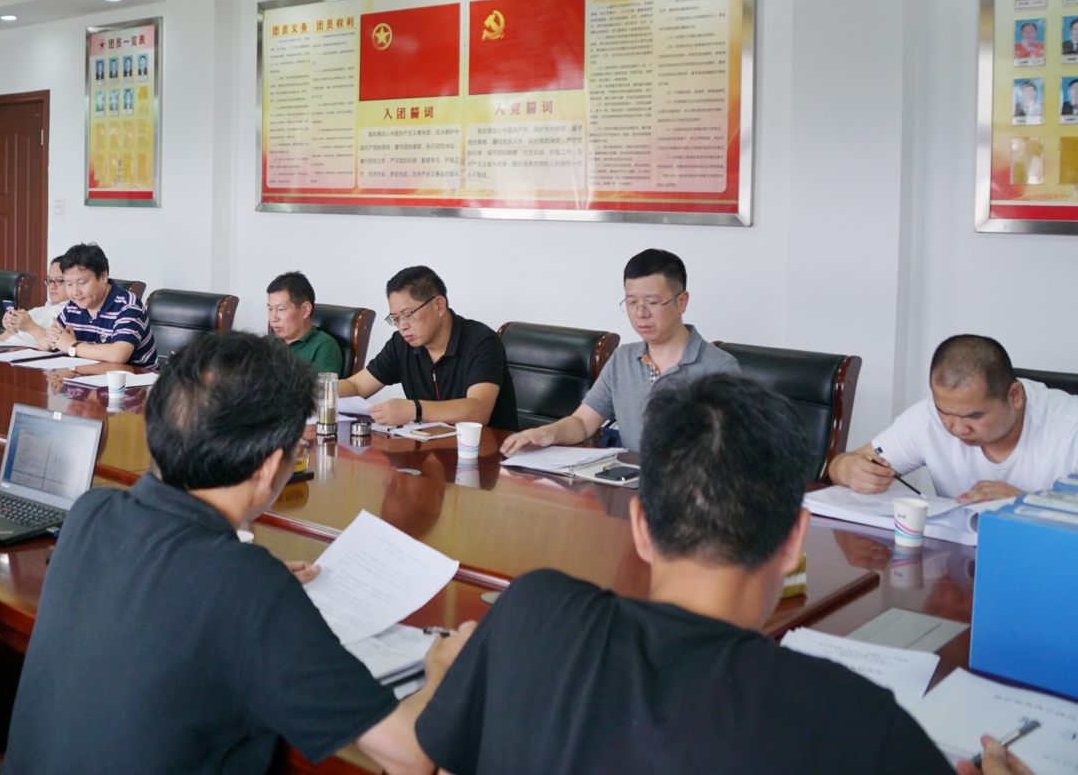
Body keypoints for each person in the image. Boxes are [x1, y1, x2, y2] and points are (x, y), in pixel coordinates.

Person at [419, 374, 953, 775]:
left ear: (640, 526)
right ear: (795, 540)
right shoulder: (856, 723)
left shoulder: (531, 611)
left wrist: (445, 679)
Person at [0, 331, 471, 775]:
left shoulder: (91, 512)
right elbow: (409, 755)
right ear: (269, 467)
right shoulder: (247, 585)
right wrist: (443, 668)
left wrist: (249, 585)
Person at [502, 248, 738, 456]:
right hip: (627, 481)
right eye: (632, 302)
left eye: (652, 302)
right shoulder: (623, 359)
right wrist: (546, 433)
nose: (640, 313)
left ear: (682, 302)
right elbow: (583, 423)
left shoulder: (718, 368)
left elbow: (728, 453)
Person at [828, 335, 1078, 503]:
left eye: (974, 416)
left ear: (1014, 396)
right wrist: (850, 470)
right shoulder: (926, 417)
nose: (958, 428)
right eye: (945, 412)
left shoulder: (1070, 425)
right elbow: (841, 464)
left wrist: (1027, 505)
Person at [338, 266, 517, 429]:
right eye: (396, 319)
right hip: (430, 447)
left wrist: (413, 409)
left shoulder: (481, 342)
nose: (402, 326)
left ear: (439, 306)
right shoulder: (402, 344)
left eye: (408, 315)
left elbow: (478, 411)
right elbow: (356, 386)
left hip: (487, 448)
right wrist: (324, 390)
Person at [43, 242, 157, 369]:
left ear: (103, 276)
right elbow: (45, 341)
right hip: (89, 376)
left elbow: (118, 355)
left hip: (133, 379)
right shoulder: (73, 306)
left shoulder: (128, 305)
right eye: (69, 284)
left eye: (82, 283)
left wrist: (72, 346)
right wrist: (50, 341)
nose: (75, 292)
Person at [266, 270, 343, 374]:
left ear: (305, 309)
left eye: (281, 309)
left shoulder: (324, 347)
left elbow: (322, 385)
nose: (273, 318)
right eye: (270, 309)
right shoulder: (265, 343)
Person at [0, 255, 70, 343]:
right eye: (50, 281)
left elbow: (58, 344)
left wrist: (30, 327)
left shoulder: (70, 315)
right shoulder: (35, 312)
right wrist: (10, 331)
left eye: (59, 281)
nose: (52, 286)